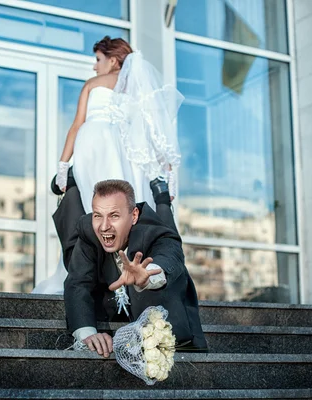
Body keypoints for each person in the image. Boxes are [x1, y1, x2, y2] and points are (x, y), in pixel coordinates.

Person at [32, 36, 183, 294]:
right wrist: (168, 174)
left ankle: (92, 276)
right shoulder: (138, 92)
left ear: (113, 60)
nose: (94, 66)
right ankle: (129, 276)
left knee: (95, 213)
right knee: (120, 215)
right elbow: (155, 134)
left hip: (93, 148)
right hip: (123, 154)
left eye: (98, 59)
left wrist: (62, 165)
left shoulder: (93, 84)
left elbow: (76, 125)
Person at [63, 180, 207, 357]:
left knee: (166, 221)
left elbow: (171, 257)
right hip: (109, 303)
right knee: (70, 253)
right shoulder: (88, 229)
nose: (104, 226)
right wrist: (87, 334)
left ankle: (162, 198)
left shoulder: (157, 233)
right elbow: (77, 282)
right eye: (97, 215)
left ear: (134, 215)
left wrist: (147, 276)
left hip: (165, 310)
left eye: (114, 215)